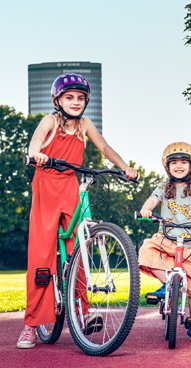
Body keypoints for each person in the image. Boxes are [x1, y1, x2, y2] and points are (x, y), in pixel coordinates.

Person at [19, 73, 138, 349]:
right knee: (41, 254)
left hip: (71, 186)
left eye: (80, 98)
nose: (75, 102)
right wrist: (37, 153)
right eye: (69, 97)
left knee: (79, 252)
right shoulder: (50, 121)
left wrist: (124, 167)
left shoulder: (85, 125)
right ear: (57, 100)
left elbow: (105, 148)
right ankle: (31, 325)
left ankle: (81, 313)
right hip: (46, 185)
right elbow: (36, 141)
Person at [138, 142, 191, 342]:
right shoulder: (163, 187)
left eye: (183, 162)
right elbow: (152, 200)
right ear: (167, 167)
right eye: (174, 163)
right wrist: (146, 209)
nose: (179, 166)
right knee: (147, 250)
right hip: (167, 239)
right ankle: (168, 283)